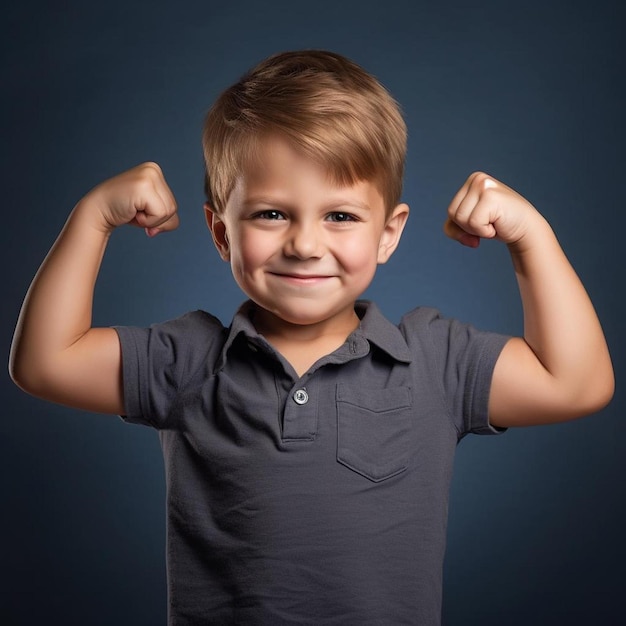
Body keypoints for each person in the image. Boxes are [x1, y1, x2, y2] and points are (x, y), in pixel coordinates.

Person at [9, 50, 614, 625]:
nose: (304, 244)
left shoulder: (434, 363)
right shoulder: (189, 361)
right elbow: (44, 363)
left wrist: (532, 237)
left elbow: (577, 384)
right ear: (221, 233)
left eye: (341, 216)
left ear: (388, 233)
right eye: (271, 213)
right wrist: (93, 217)